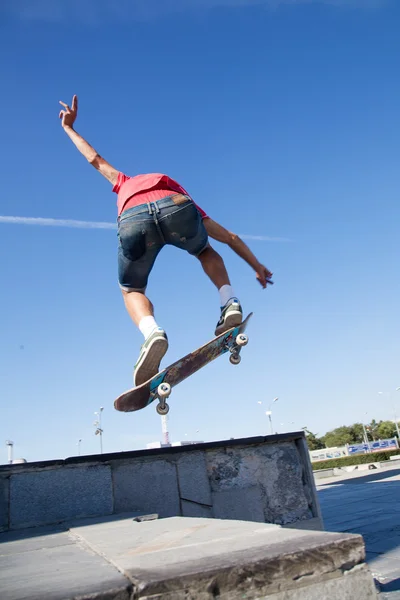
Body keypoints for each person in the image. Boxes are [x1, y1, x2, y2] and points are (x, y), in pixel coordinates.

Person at [59, 95, 273, 386]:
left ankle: (152, 333)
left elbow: (93, 159)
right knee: (206, 251)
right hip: (177, 207)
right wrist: (257, 266)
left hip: (133, 216)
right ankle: (229, 302)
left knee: (131, 288)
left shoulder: (123, 182)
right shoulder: (180, 196)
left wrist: (69, 128)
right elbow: (231, 238)